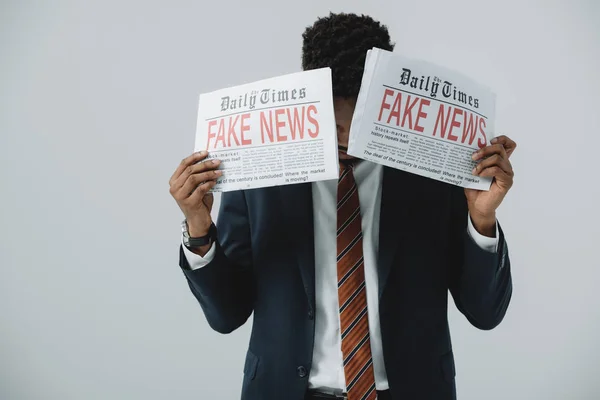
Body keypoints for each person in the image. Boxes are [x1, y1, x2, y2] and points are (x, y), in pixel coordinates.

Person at [169, 12, 516, 400]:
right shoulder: (259, 170)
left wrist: (482, 219)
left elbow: (486, 314)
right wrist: (199, 227)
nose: (347, 135)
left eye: (361, 118)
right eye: (333, 124)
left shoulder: (436, 169)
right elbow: (226, 315)